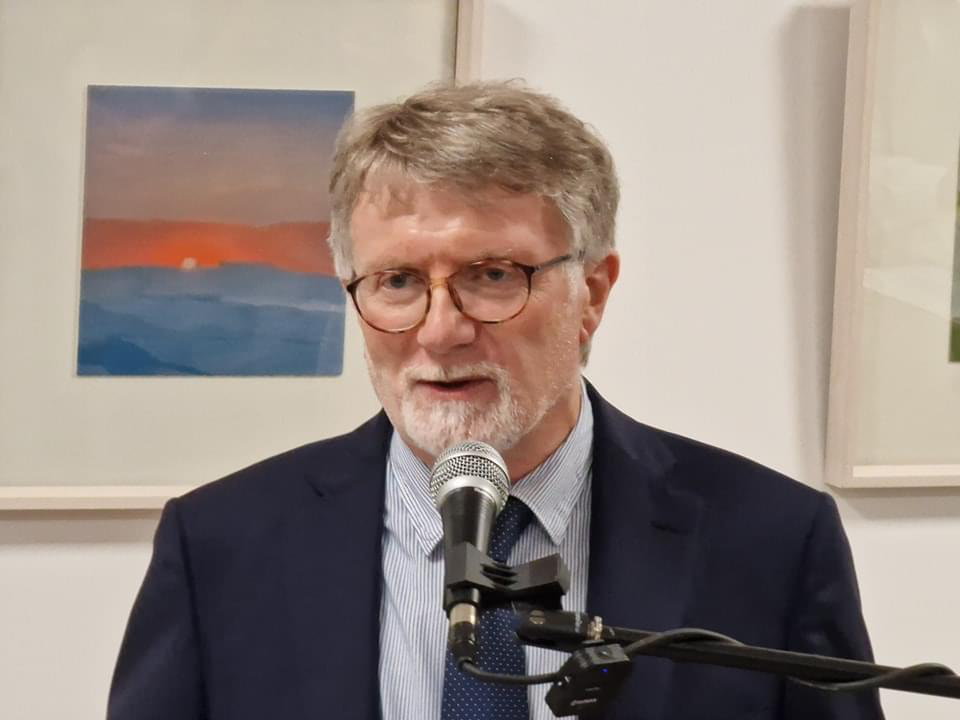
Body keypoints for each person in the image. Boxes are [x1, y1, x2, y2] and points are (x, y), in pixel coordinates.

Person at [108, 81, 884, 720]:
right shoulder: (221, 544)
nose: (440, 331)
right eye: (398, 281)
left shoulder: (770, 540)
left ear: (592, 293)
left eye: (491, 276)